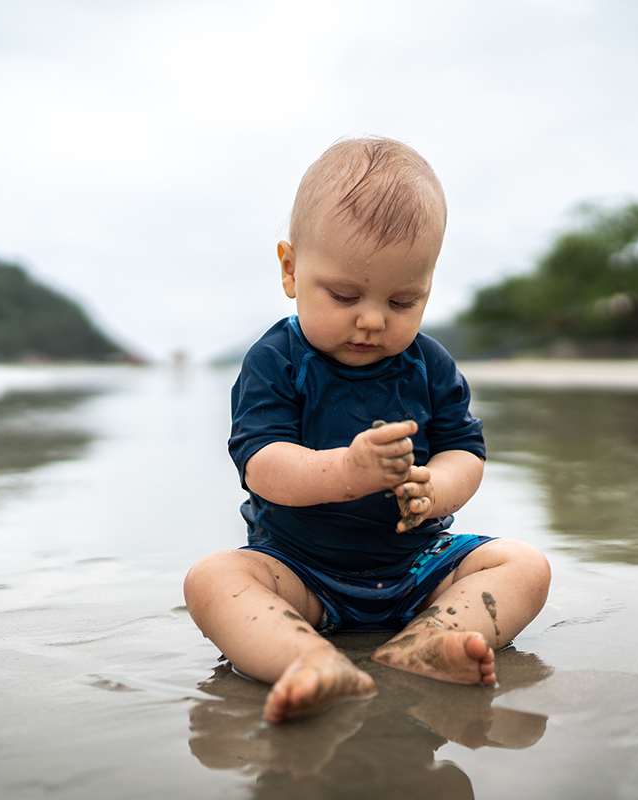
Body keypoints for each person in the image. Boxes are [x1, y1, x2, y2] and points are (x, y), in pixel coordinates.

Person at [184, 137, 551, 724]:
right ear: (290, 269)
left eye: (404, 300)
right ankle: (304, 656)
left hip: (416, 565)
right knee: (214, 579)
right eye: (345, 295)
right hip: (299, 569)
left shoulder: (428, 365)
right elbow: (262, 465)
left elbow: (465, 452)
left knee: (525, 565)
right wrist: (348, 471)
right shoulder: (278, 360)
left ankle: (428, 639)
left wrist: (436, 489)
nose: (373, 319)